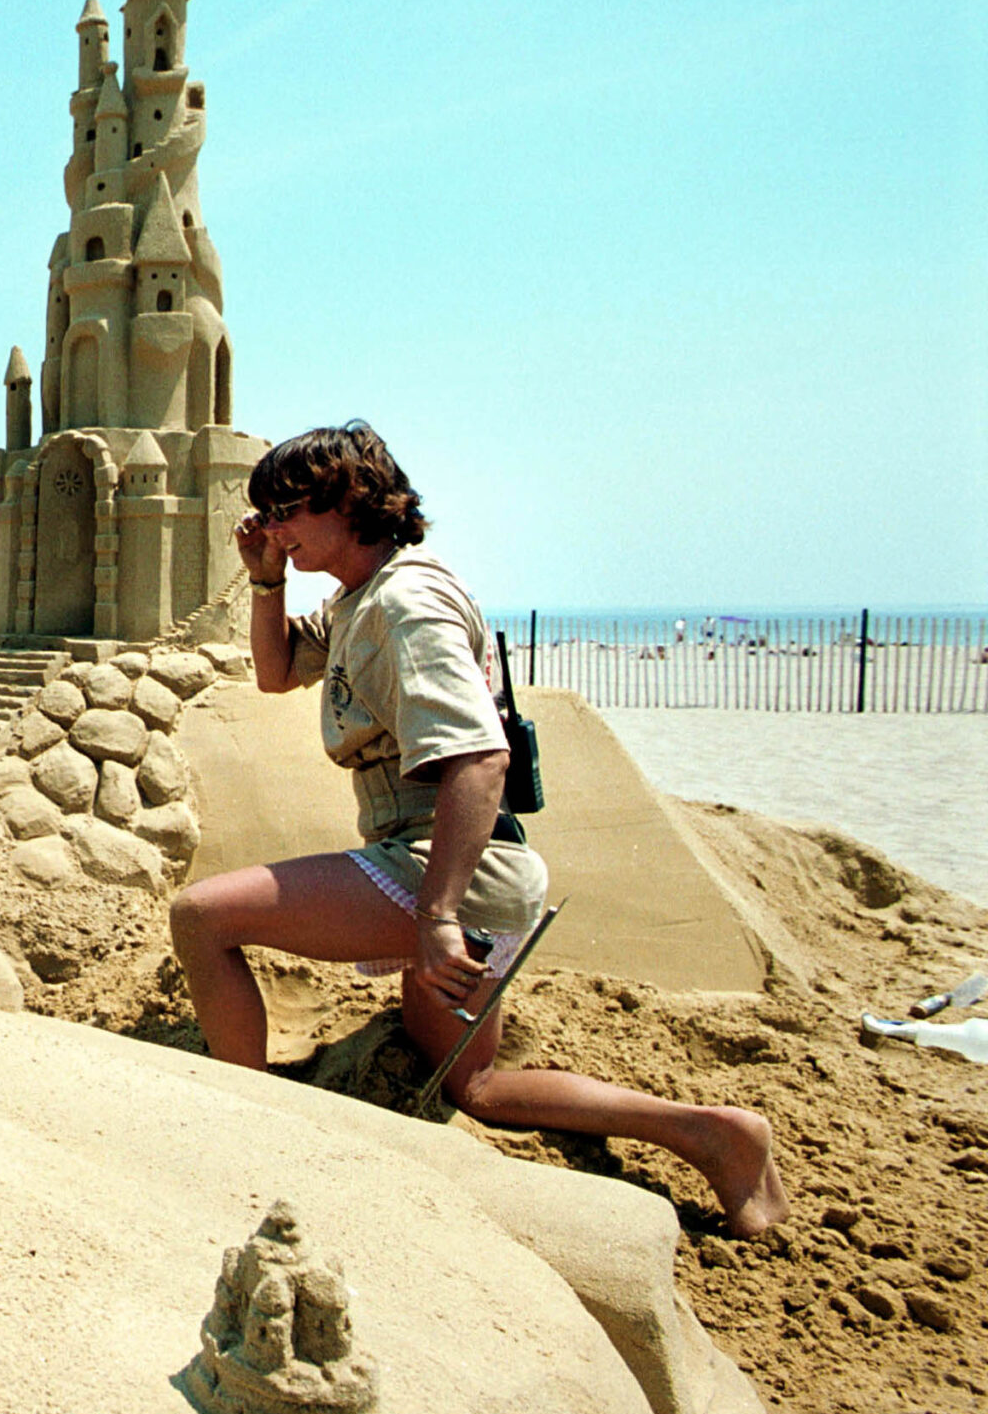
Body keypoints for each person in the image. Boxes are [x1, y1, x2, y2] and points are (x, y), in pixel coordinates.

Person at [166, 423, 789, 1238]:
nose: (269, 526)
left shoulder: (406, 603)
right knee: (479, 1084)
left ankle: (252, 1122)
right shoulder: (362, 594)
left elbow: (479, 760)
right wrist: (265, 579)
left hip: (441, 865)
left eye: (284, 510)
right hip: (455, 864)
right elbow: (279, 671)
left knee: (202, 917)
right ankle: (713, 1132)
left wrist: (438, 916)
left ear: (348, 503)